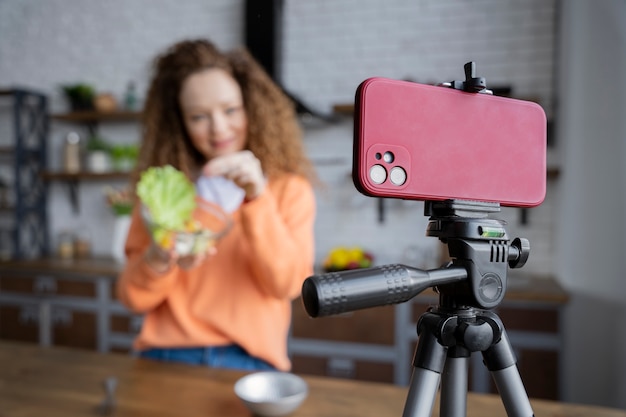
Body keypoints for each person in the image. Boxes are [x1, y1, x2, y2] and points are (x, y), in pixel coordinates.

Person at [116, 39, 317, 372]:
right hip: (165, 357)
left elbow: (287, 286)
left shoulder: (287, 190)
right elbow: (133, 299)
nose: (219, 129)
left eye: (230, 110)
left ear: (253, 107)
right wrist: (159, 255)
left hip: (250, 361)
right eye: (198, 117)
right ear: (179, 123)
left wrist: (257, 197)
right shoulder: (164, 192)